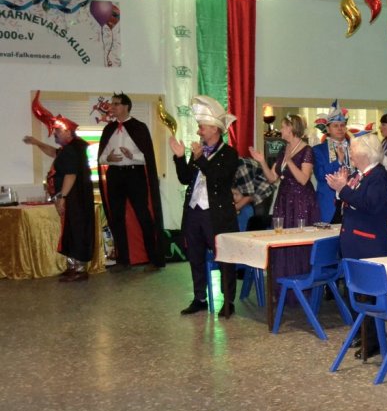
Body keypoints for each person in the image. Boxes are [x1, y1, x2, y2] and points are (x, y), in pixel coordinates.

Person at [171, 96, 240, 318]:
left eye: (202, 126)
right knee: (195, 256)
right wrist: (180, 157)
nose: (198, 130)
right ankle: (200, 298)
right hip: (194, 212)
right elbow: (185, 178)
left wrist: (200, 159)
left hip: (217, 215)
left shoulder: (230, 153)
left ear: (214, 129)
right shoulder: (198, 150)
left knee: (224, 258)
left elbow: (219, 179)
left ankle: (228, 301)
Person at [327, 130, 387, 358]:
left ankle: (371, 340)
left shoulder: (378, 176)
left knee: (368, 295)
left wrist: (343, 189)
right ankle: (361, 332)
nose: (351, 154)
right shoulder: (360, 175)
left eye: (353, 150)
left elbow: (369, 204)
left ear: (365, 153)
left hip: (368, 244)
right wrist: (341, 189)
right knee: (353, 291)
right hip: (355, 243)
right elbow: (347, 203)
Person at [24, 108, 95, 282]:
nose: (54, 134)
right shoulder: (70, 149)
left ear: (68, 132)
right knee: (70, 230)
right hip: (73, 198)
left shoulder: (72, 150)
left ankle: (79, 269)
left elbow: (71, 175)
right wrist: (37, 143)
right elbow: (53, 152)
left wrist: (62, 197)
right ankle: (72, 267)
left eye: (57, 131)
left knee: (76, 230)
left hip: (74, 199)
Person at [97, 92, 165, 272]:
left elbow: (147, 158)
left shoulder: (139, 127)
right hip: (115, 175)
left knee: (143, 216)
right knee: (117, 217)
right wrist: (109, 158)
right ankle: (123, 259)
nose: (112, 107)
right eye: (112, 104)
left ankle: (153, 258)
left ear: (126, 106)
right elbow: (101, 158)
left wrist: (132, 155)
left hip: (135, 174)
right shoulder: (108, 129)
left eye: (116, 104)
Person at [250, 114, 319, 278]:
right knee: (282, 239)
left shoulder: (307, 150)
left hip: (301, 201)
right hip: (284, 200)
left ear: (291, 128)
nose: (280, 130)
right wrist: (262, 161)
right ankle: (284, 281)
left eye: (283, 127)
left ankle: (301, 281)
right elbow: (272, 178)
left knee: (299, 241)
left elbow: (303, 179)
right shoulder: (284, 149)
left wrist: (289, 161)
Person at [312, 102, 350, 223]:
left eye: (342, 125)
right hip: (329, 203)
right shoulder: (318, 150)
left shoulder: (354, 147)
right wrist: (338, 161)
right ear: (328, 129)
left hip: (352, 202)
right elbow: (320, 175)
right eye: (335, 126)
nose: (340, 128)